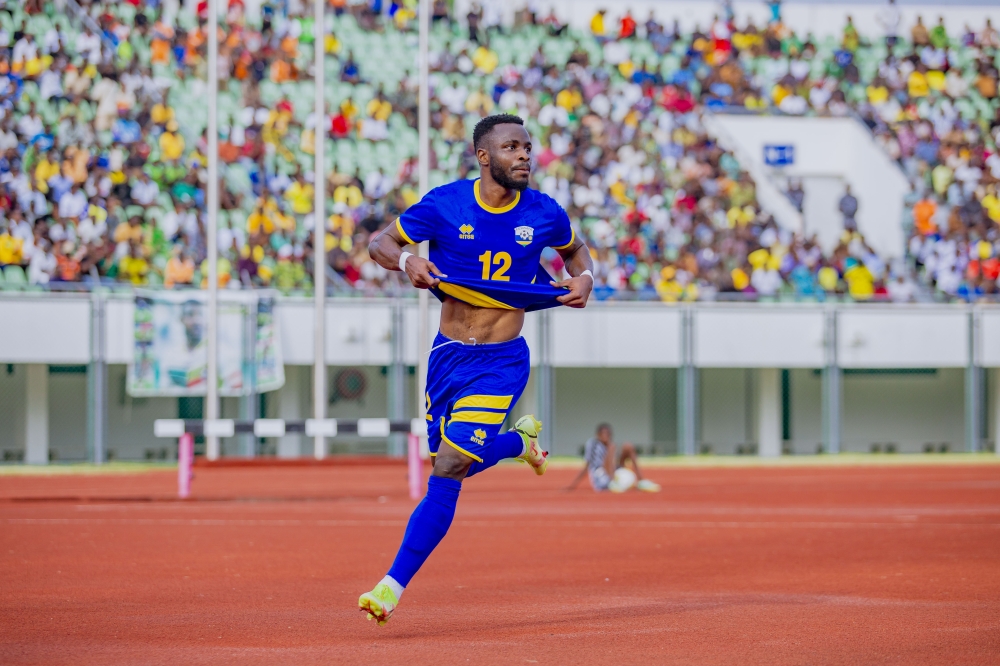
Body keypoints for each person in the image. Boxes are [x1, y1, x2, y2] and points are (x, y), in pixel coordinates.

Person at [359, 114, 595, 626]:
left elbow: (576, 252)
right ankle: (518, 444)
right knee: (452, 461)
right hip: (447, 356)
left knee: (447, 468)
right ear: (483, 156)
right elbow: (380, 243)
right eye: (512, 147)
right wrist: (407, 262)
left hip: (501, 361)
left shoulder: (545, 212)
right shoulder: (445, 204)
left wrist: (586, 278)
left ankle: (390, 587)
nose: (525, 155)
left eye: (527, 147)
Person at [567, 424, 661, 493]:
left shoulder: (609, 445)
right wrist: (573, 485)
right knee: (612, 447)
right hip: (601, 478)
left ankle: (641, 481)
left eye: (608, 434)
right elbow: (587, 466)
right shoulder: (593, 444)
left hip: (612, 471)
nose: (605, 436)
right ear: (598, 435)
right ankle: (613, 482)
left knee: (627, 446)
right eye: (603, 433)